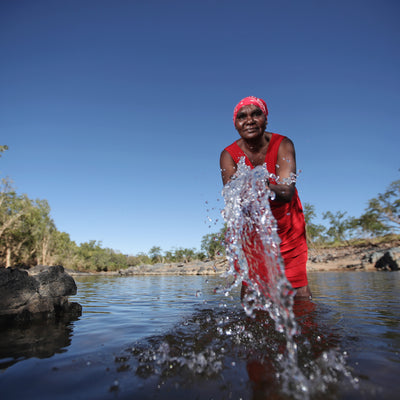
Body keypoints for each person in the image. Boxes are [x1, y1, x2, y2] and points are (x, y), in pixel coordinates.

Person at [220, 96, 312, 299]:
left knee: (298, 287)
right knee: (252, 285)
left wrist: (257, 184)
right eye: (242, 117)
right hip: (253, 228)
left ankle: (308, 326)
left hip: (288, 226)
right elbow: (232, 199)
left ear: (266, 119)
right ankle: (252, 324)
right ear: (236, 125)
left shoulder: (283, 144)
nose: (249, 120)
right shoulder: (228, 155)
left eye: (256, 114)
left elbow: (287, 192)